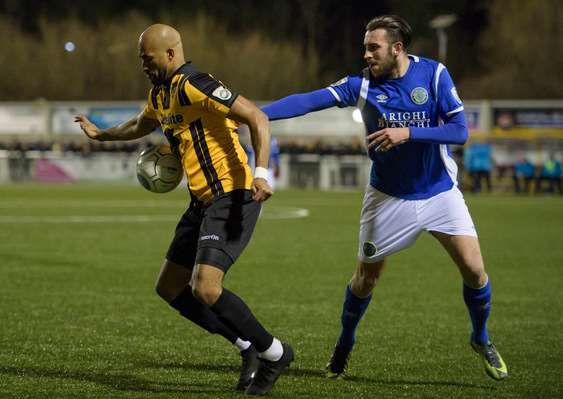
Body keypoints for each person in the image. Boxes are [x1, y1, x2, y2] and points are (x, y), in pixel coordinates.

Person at [261, 15, 507, 381]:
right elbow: (308, 101)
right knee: (366, 280)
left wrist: (407, 132)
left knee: (474, 269)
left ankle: (481, 337)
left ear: (398, 48)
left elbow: (459, 132)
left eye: (373, 47)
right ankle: (345, 341)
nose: (367, 54)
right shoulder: (361, 85)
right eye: (365, 47)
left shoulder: (435, 75)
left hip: (439, 192)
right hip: (387, 198)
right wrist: (252, 113)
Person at [75, 24, 293, 396]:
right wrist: (102, 134)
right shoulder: (160, 94)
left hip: (233, 194)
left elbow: (257, 116)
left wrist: (261, 173)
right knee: (170, 287)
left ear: (171, 54)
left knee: (206, 288)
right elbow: (139, 124)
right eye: (140, 59)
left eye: (148, 58)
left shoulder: (197, 83)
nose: (143, 64)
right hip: (201, 200)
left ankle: (274, 352)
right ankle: (245, 348)